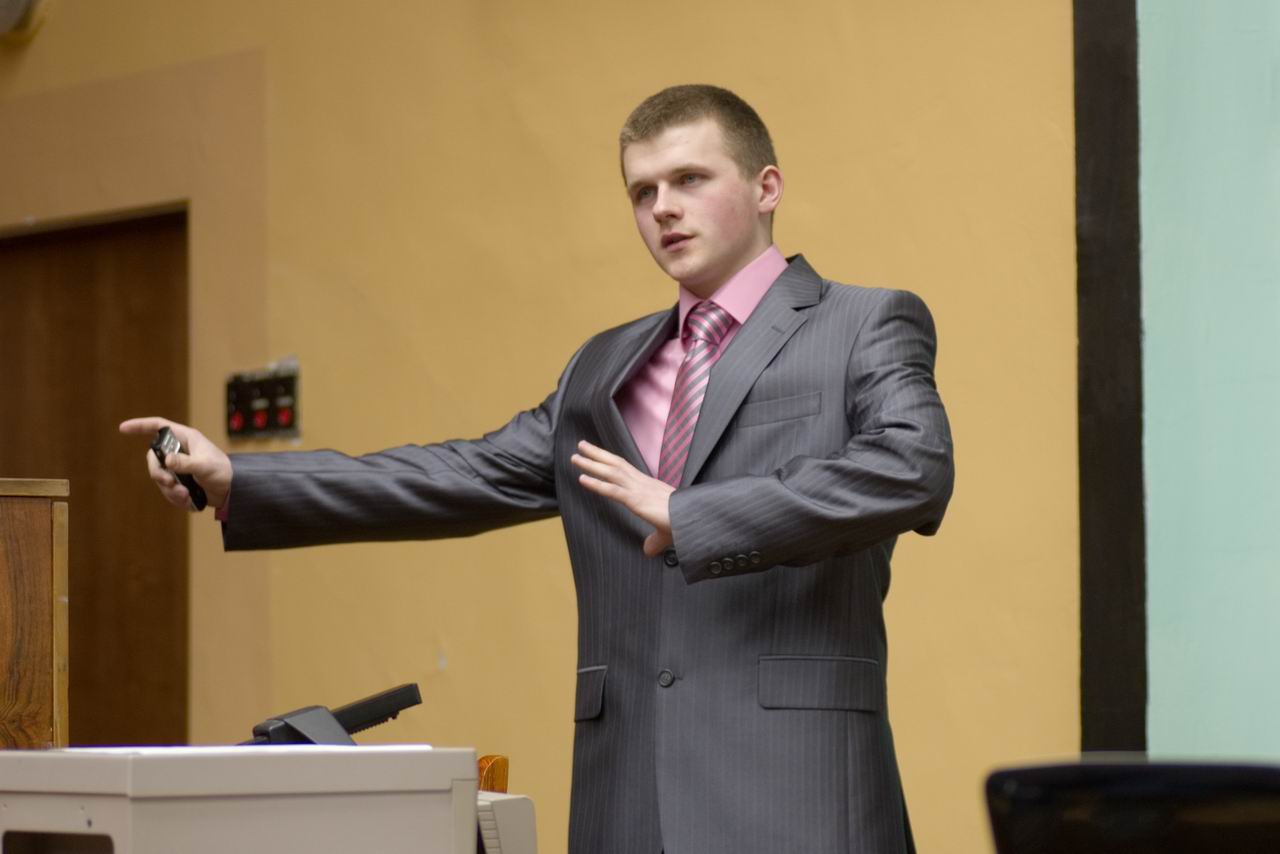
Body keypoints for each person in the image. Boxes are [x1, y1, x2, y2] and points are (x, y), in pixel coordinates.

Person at [122, 84, 954, 854]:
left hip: (800, 791)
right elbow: (466, 474)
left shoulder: (864, 323)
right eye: (641, 191)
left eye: (690, 179)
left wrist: (693, 514)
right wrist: (241, 481)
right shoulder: (603, 365)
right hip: (625, 798)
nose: (663, 207)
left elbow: (911, 466)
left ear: (766, 187)